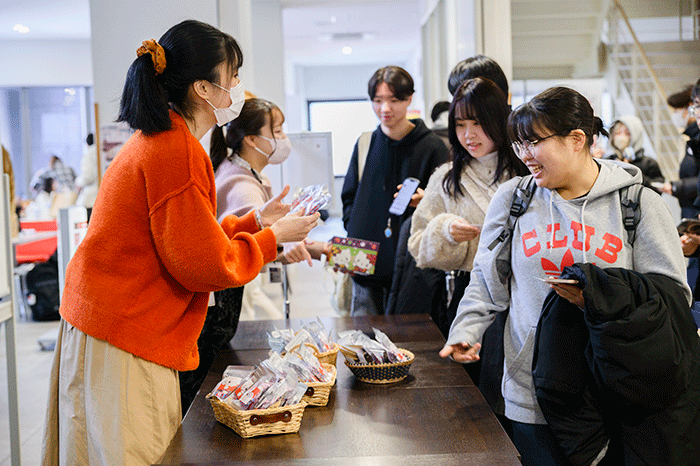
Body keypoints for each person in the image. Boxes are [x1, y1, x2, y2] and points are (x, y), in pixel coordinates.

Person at [41, 20, 319, 466]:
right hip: (125, 333)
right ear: (203, 89)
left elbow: (186, 240)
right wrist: (271, 239)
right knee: (139, 453)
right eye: (232, 79)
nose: (237, 90)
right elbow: (202, 265)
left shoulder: (163, 138)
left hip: (104, 322)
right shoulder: (177, 149)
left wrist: (254, 223)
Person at [440, 86, 699, 465]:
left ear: (577, 139)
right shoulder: (514, 200)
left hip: (613, 390)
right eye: (518, 145)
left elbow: (673, 297)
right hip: (531, 392)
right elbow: (486, 279)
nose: (524, 155)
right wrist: (466, 330)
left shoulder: (638, 203)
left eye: (533, 143)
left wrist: (601, 296)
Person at [178, 98, 330, 412]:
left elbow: (249, 234)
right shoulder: (242, 185)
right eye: (276, 131)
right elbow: (242, 246)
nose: (283, 139)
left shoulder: (238, 172)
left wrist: (288, 239)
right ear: (251, 139)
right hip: (225, 303)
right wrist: (279, 239)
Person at [409, 77, 527, 341]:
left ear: (498, 119)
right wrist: (445, 230)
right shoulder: (446, 178)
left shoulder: (528, 170)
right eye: (460, 125)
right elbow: (416, 244)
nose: (468, 135)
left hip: (528, 294)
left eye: (477, 123)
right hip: (470, 296)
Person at [341, 65, 449, 316]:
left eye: (394, 100)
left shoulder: (432, 146)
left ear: (409, 99)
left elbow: (446, 202)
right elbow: (350, 196)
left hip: (411, 268)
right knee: (363, 343)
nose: (385, 109)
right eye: (377, 101)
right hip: (363, 263)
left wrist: (426, 202)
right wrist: (354, 226)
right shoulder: (366, 142)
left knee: (409, 343)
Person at [606, 115, 664, 189]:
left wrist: (632, 172)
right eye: (618, 133)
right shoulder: (608, 162)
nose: (621, 137)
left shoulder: (649, 163)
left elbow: (658, 189)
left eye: (627, 134)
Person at [75, 133, 99, 210]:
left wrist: (78, 182)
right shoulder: (104, 151)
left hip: (92, 197)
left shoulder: (89, 154)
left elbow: (88, 177)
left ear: (87, 144)